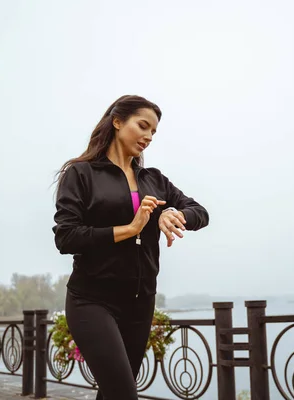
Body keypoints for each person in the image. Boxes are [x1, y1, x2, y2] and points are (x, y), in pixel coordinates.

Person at [52, 95, 209, 400]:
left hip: (139, 303)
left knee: (114, 394)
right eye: (143, 126)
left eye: (154, 132)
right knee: (124, 395)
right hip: (92, 301)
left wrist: (175, 213)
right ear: (118, 121)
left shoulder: (154, 180)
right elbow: (67, 237)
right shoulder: (81, 174)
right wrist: (131, 229)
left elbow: (200, 212)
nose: (149, 136)